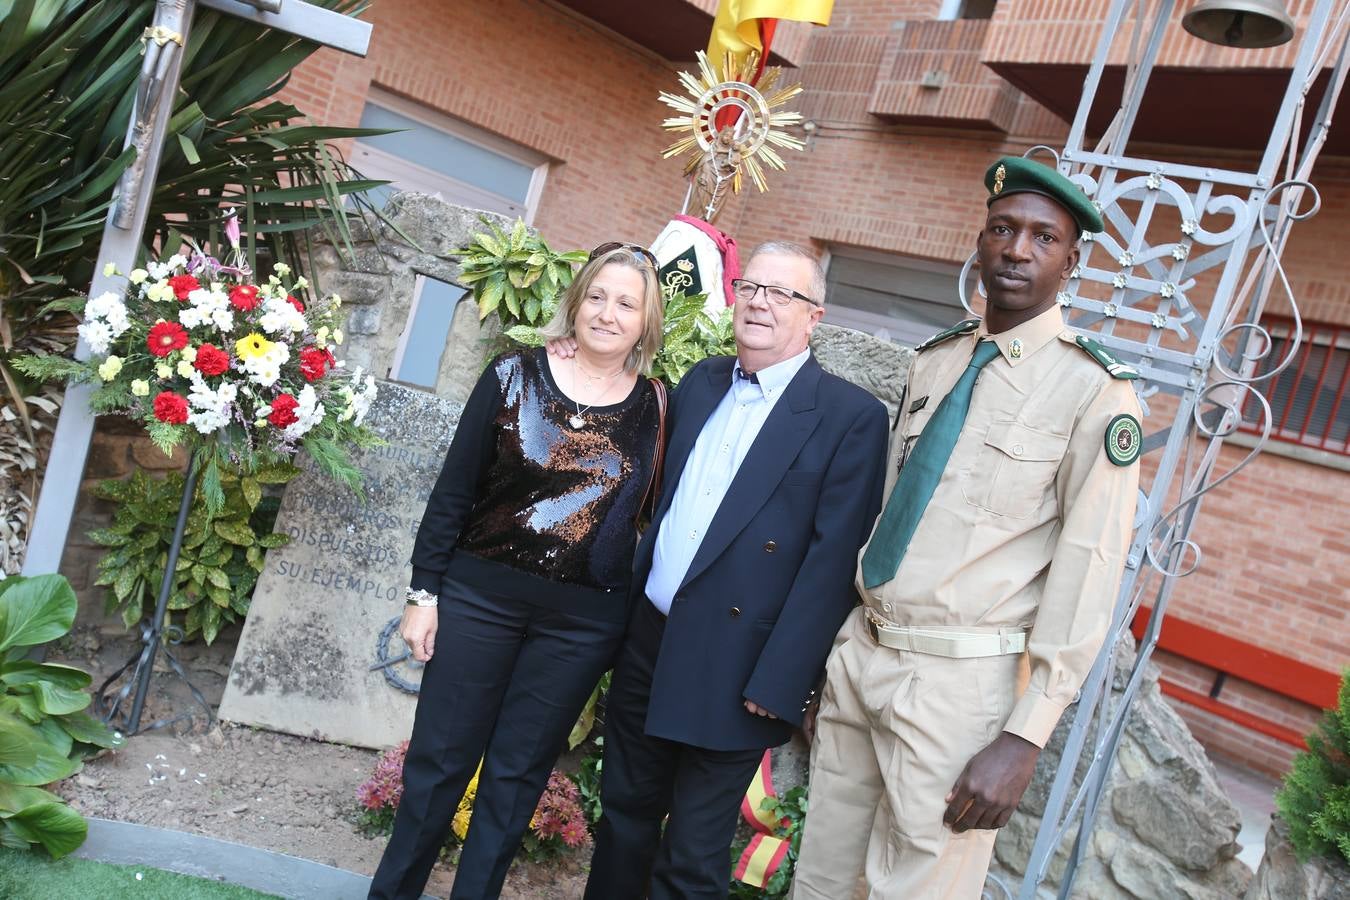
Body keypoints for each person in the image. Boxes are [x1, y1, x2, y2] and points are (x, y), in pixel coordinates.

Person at [790, 157, 1144, 899]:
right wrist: (841, 655)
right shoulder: (938, 360)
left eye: (1043, 238)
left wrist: (1023, 737)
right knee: (821, 877)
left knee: (916, 889)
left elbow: (1089, 569)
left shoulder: (1094, 394)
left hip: (961, 684)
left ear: (1070, 263)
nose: (1017, 249)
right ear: (980, 243)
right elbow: (893, 511)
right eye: (1002, 230)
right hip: (866, 654)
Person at [574, 241, 890, 899]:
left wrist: (780, 682)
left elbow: (831, 566)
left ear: (815, 316)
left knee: (692, 853)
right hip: (650, 641)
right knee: (624, 821)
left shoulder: (849, 418)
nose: (761, 303)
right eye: (751, 287)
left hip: (738, 665)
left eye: (783, 293)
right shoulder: (704, 381)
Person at [367, 243, 666, 900]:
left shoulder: (659, 407)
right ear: (577, 300)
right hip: (480, 601)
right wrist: (425, 593)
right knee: (438, 769)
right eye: (597, 296)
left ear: (647, 322)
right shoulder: (511, 375)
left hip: (583, 628)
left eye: (626, 303)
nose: (607, 314)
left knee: (514, 780)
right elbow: (453, 493)